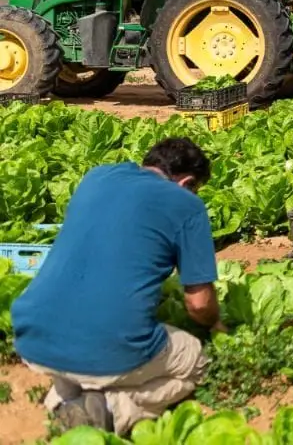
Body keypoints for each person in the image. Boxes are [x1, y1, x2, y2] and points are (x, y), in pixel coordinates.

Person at [11, 138, 223, 437]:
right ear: (187, 182)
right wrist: (216, 324)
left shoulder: (97, 176)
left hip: (33, 339)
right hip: (108, 350)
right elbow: (199, 304)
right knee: (195, 361)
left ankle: (62, 400)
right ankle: (114, 408)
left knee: (86, 355)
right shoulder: (186, 204)